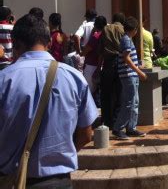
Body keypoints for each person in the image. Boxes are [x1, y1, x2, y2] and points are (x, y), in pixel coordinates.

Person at [0, 14, 98, 188]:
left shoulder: (4, 80)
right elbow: (86, 134)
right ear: (50, 43)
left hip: (13, 180)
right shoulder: (74, 77)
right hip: (59, 181)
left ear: (15, 44)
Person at [112, 17, 147, 140]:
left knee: (134, 102)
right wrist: (139, 71)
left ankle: (131, 127)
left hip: (131, 75)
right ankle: (118, 128)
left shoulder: (128, 40)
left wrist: (138, 66)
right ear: (135, 29)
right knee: (128, 102)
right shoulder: (126, 40)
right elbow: (126, 59)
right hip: (128, 75)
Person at [99, 13, 125, 128]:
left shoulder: (105, 29)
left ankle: (106, 120)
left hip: (108, 63)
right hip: (120, 62)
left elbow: (100, 49)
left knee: (106, 94)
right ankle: (116, 120)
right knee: (119, 93)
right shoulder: (123, 30)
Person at [82, 16, 107, 94]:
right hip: (103, 66)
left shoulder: (96, 36)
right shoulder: (106, 35)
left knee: (88, 93)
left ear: (95, 25)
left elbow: (86, 50)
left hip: (92, 66)